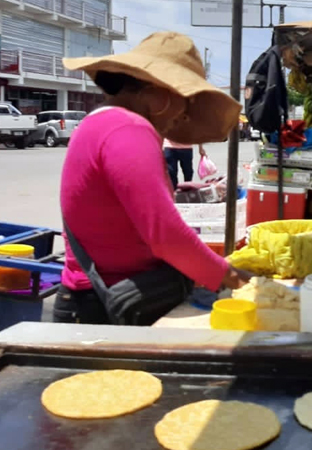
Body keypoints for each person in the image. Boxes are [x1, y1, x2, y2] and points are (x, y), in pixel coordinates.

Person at [55, 31, 250, 324]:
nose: (183, 115)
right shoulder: (129, 128)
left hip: (98, 297)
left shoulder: (99, 122)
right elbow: (165, 235)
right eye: (185, 101)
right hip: (105, 306)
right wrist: (235, 278)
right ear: (159, 95)